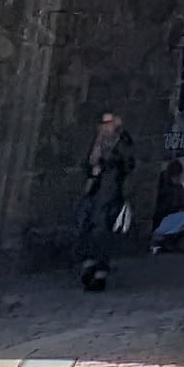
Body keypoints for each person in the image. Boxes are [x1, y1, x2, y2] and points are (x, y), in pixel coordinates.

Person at [70, 111, 134, 291]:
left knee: (102, 232)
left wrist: (106, 163)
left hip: (110, 193)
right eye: (103, 123)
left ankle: (100, 273)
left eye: (109, 123)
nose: (106, 127)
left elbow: (127, 164)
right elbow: (87, 162)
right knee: (85, 227)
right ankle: (89, 264)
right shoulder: (97, 141)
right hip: (94, 191)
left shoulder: (122, 142)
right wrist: (92, 168)